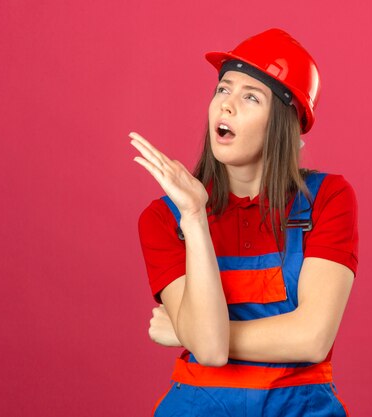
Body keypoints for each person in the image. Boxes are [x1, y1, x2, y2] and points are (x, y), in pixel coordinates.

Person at [132, 28, 358, 417]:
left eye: (250, 97)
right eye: (223, 89)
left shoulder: (326, 199)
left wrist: (191, 332)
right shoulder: (164, 219)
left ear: (282, 124)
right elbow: (211, 350)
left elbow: (313, 338)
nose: (227, 106)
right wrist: (196, 218)